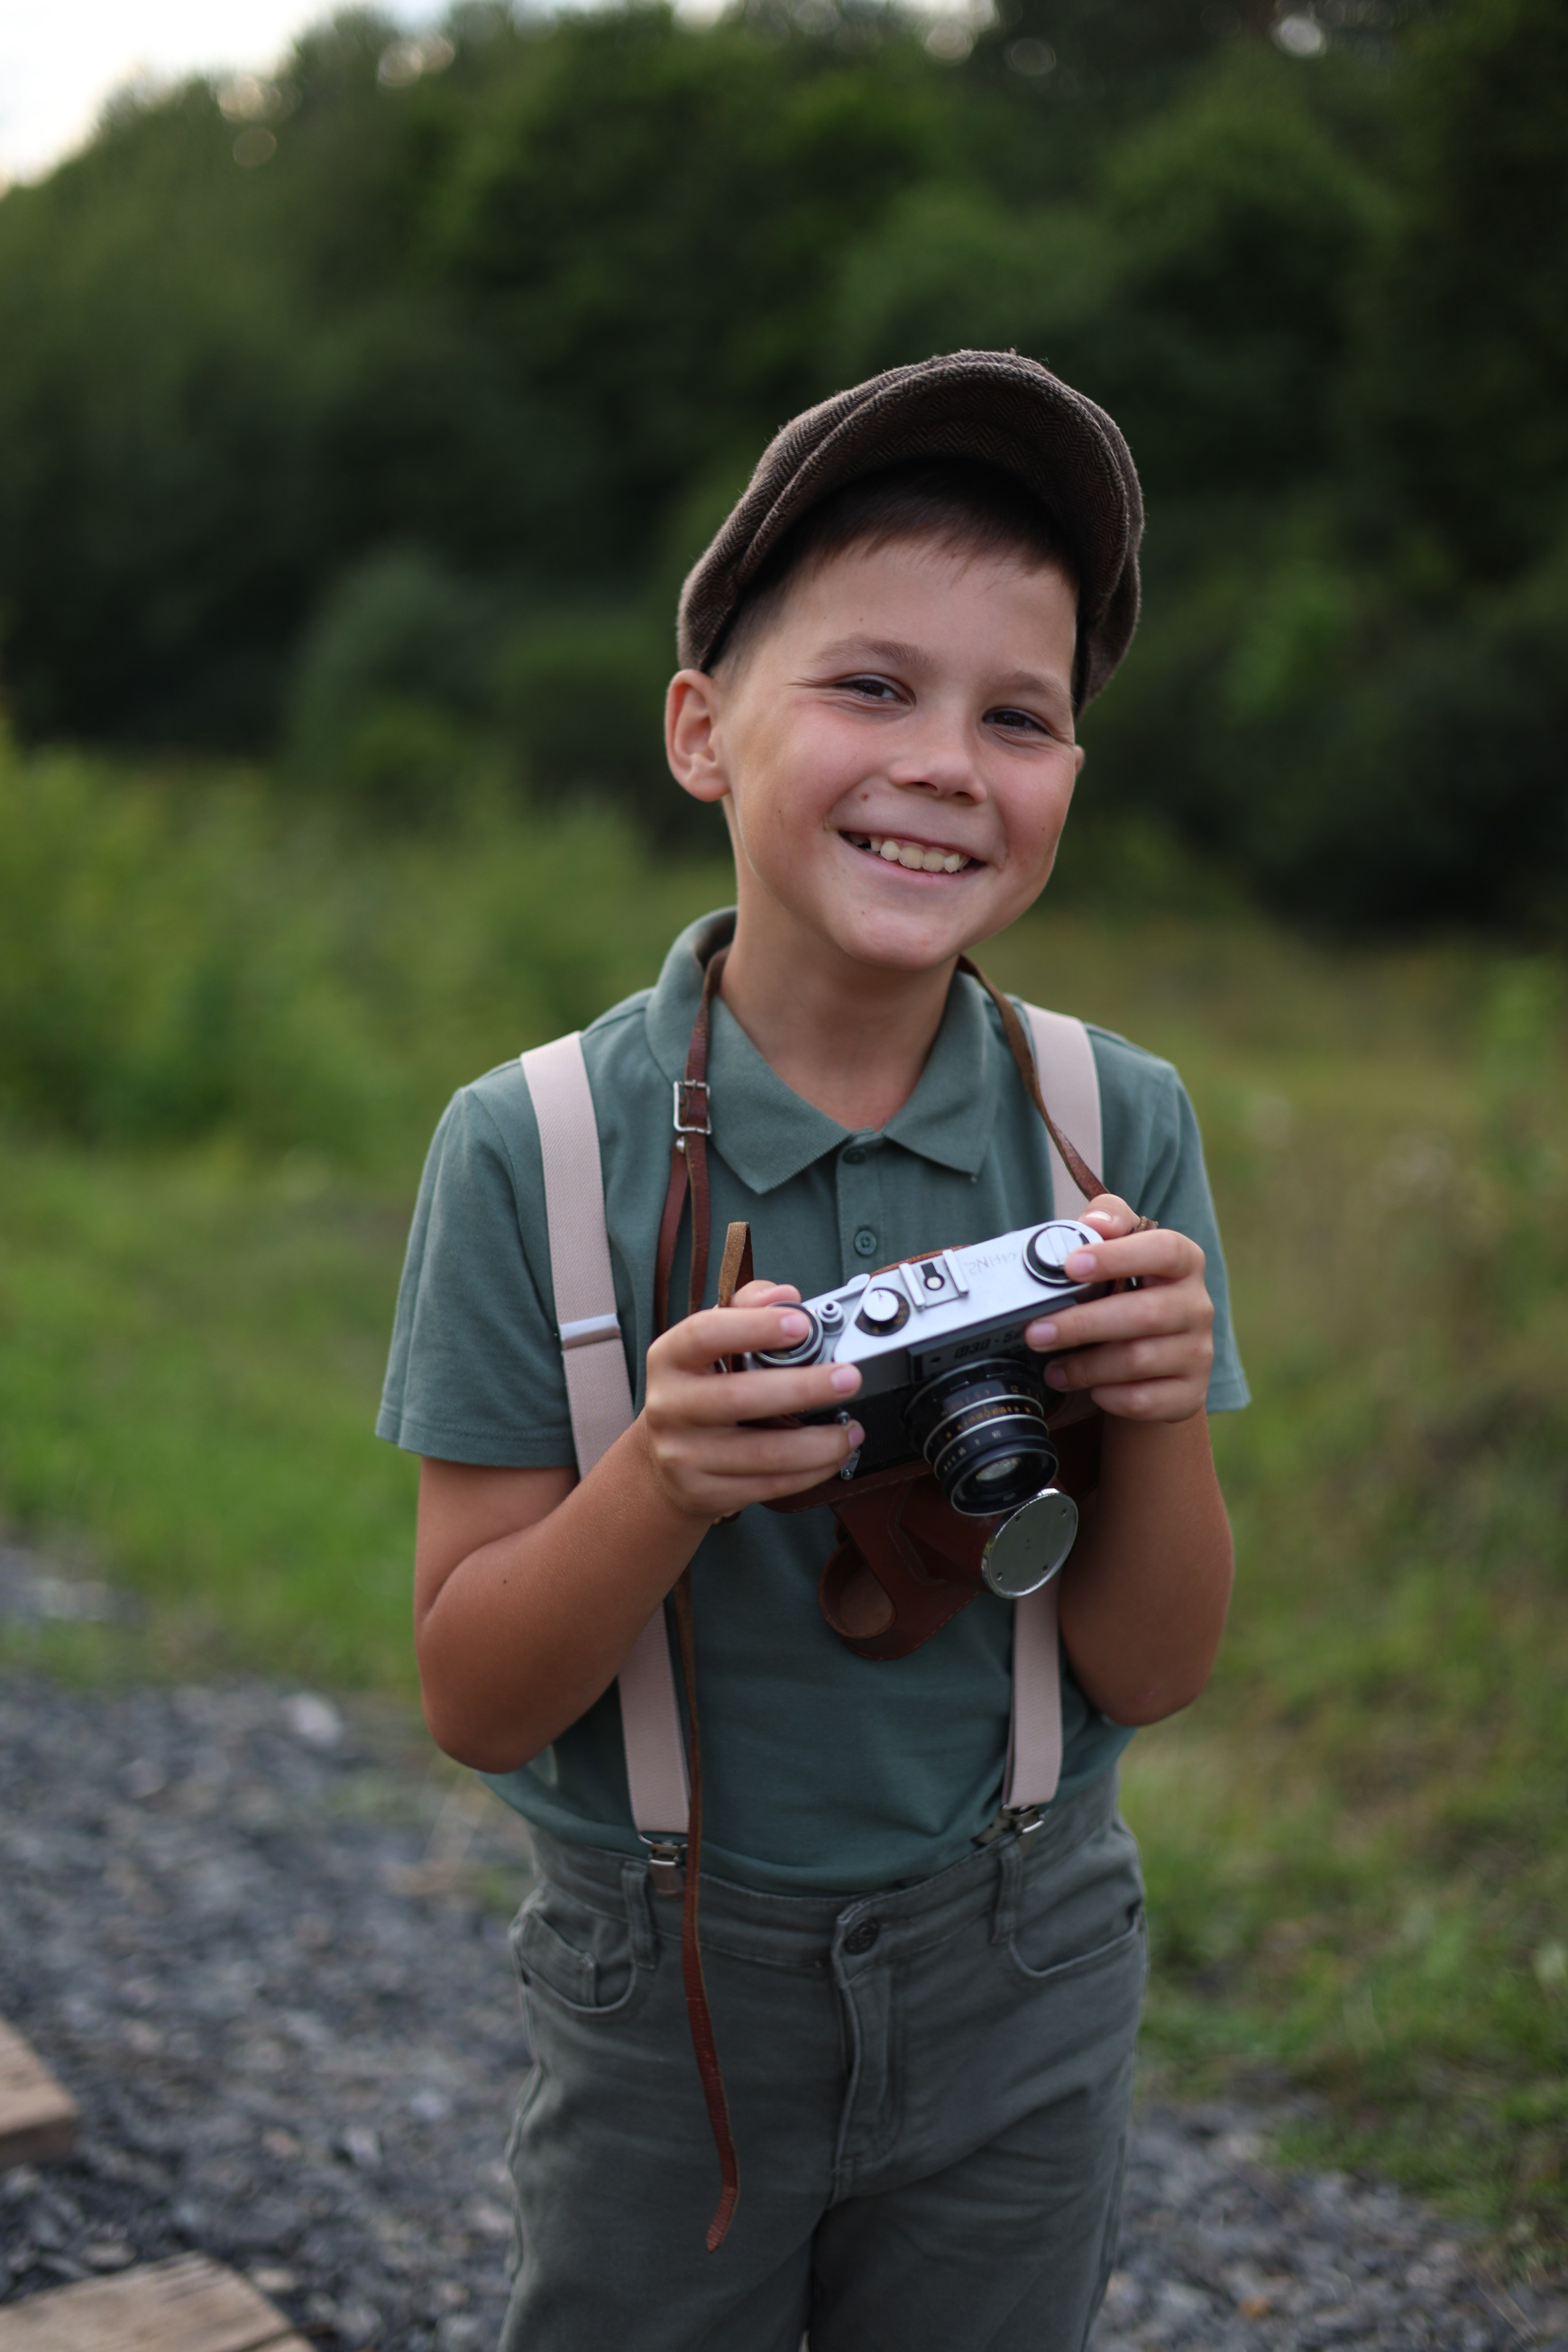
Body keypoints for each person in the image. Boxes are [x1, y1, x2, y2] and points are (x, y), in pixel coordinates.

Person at [378, 350, 1248, 2351]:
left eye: (1016, 716)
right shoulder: (538, 1146)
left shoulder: (1110, 1126)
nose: (946, 760)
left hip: (1031, 1950)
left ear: (1067, 785)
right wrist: (666, 1478)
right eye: (870, 686)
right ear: (702, 731)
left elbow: (1155, 1665)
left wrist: (1153, 1409)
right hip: (664, 1988)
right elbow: (478, 1696)